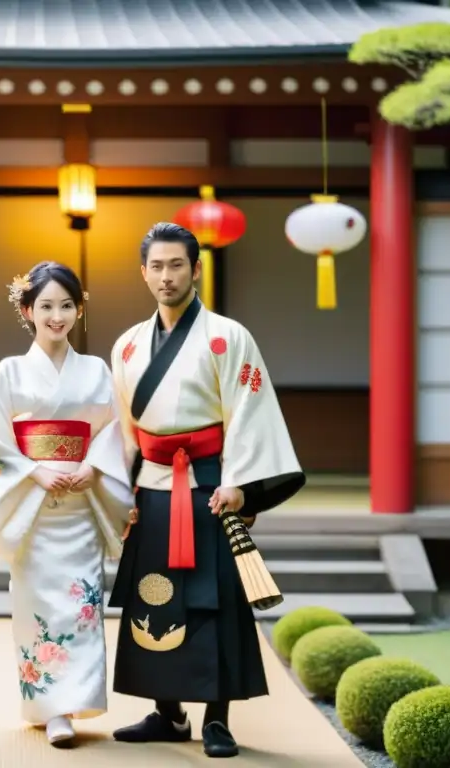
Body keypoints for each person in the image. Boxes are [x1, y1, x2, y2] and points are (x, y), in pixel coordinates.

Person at [108, 222, 306, 758]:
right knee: (155, 595)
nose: (166, 276)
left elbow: (248, 412)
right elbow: (123, 430)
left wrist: (240, 484)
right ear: (143, 271)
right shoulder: (126, 346)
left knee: (212, 600)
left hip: (210, 487)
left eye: (177, 265)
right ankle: (167, 713)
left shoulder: (227, 335)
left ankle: (217, 718)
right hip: (151, 487)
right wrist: (118, 495)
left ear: (196, 269)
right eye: (156, 266)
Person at [0, 261, 133, 748]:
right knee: (38, 606)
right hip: (33, 512)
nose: (57, 315)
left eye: (67, 305)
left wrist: (96, 467)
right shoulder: (10, 371)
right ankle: (50, 709)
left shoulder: (96, 369)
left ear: (78, 309)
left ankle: (71, 705)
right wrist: (35, 471)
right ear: (27, 310)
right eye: (46, 306)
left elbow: (117, 429)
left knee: (82, 609)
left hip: (81, 508)